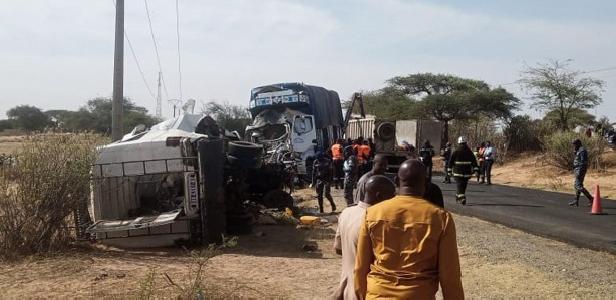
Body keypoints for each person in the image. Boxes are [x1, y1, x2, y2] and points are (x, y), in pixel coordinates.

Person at [354, 159, 464, 299]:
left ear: (396, 181)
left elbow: (360, 268)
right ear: (426, 183)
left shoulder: (372, 213)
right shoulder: (441, 218)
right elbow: (450, 277)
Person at [333, 175, 395, 300]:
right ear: (379, 196)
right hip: (365, 291)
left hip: (346, 289)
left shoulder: (346, 212)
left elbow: (338, 249)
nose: (393, 201)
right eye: (391, 196)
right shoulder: (376, 221)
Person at [448, 136, 479, 205]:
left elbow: (450, 162)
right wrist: (476, 170)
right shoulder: (469, 151)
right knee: (463, 186)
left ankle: (460, 197)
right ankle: (460, 197)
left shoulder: (456, 151)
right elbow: (474, 162)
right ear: (466, 142)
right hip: (467, 173)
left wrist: (449, 171)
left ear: (459, 142)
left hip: (457, 172)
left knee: (459, 185)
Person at [569, 139, 594, 207]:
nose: (573, 146)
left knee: (577, 185)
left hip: (580, 170)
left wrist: (579, 171)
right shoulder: (578, 150)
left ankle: (591, 198)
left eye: (574, 144)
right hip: (577, 169)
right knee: (578, 185)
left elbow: (583, 162)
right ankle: (576, 200)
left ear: (578, 144)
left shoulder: (582, 151)